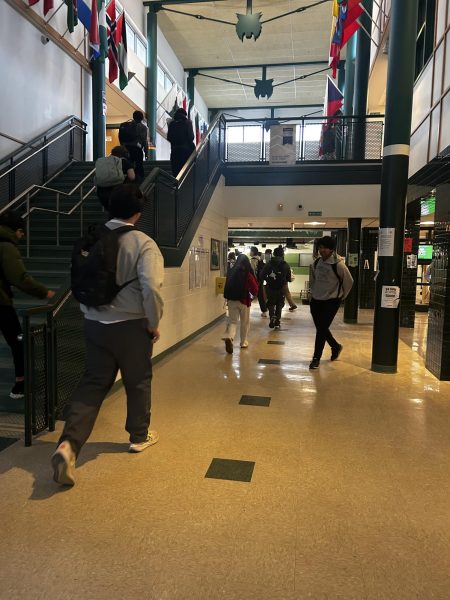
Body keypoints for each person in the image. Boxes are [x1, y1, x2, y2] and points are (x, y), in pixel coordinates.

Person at [51, 184, 164, 486]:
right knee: (137, 380)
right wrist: (153, 322)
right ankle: (139, 436)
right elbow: (151, 288)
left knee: (93, 383)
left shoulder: (92, 237)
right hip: (131, 326)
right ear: (138, 213)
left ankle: (68, 445)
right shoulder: (143, 243)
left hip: (94, 323)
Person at [0, 210, 55, 399]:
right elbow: (19, 278)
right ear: (15, 230)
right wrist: (44, 292)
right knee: (18, 342)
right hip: (1, 305)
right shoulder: (6, 246)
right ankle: (20, 385)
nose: (22, 236)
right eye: (22, 232)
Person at [309, 235, 353, 370]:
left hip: (331, 302)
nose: (322, 250)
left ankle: (316, 358)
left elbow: (349, 282)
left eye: (325, 248)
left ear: (332, 249)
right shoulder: (316, 263)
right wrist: (312, 294)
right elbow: (313, 280)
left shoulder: (338, 265)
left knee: (321, 329)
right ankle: (335, 346)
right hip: (316, 300)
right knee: (321, 328)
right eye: (320, 248)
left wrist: (340, 297)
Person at [222, 254, 258, 354]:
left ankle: (229, 337)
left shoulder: (231, 271)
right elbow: (255, 289)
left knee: (233, 321)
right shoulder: (248, 273)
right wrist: (252, 295)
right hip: (244, 301)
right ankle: (243, 342)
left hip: (231, 300)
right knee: (245, 322)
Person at [95, 145, 136, 211]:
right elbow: (132, 177)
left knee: (110, 211)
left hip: (101, 192)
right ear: (125, 154)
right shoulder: (124, 162)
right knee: (118, 211)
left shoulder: (105, 162)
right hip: (117, 191)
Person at [260, 246, 291, 329]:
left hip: (270, 287)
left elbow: (261, 275)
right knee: (279, 304)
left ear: (273, 254)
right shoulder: (285, 264)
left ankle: (272, 316)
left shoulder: (268, 264)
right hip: (281, 288)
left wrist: (267, 279)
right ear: (282, 254)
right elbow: (289, 278)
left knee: (271, 303)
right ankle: (277, 321)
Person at [119, 110, 149, 181]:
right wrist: (146, 152)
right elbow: (144, 141)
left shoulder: (126, 125)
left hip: (126, 149)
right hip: (137, 149)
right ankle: (140, 182)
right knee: (139, 166)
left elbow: (121, 138)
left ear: (133, 116)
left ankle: (127, 181)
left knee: (128, 166)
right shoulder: (143, 127)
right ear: (141, 118)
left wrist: (123, 148)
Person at [167, 108, 195, 177]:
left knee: (176, 170)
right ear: (185, 115)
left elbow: (169, 137)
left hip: (175, 151)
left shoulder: (172, 124)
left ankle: (176, 184)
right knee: (185, 170)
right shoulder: (188, 122)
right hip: (185, 151)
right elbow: (191, 137)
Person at [249, 246, 267, 317]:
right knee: (260, 296)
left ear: (253, 252)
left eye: (250, 251)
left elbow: (252, 271)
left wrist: (253, 281)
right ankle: (264, 311)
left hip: (255, 280)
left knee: (250, 294)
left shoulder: (253, 260)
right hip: (260, 280)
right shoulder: (260, 259)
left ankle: (245, 307)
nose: (250, 252)